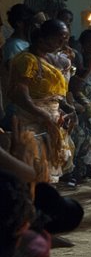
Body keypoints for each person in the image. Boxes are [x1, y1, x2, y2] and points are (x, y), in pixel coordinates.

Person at [8, 20, 76, 184]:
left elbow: (55, 94)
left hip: (50, 120)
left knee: (48, 172)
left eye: (65, 39)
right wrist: (44, 116)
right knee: (34, 169)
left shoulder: (48, 59)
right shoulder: (27, 60)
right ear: (43, 39)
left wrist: (66, 110)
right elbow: (21, 96)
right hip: (31, 121)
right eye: (59, 39)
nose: (63, 43)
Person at [68, 29, 91, 184]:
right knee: (81, 138)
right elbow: (76, 86)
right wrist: (89, 66)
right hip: (82, 106)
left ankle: (90, 168)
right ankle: (76, 171)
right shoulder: (77, 58)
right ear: (83, 43)